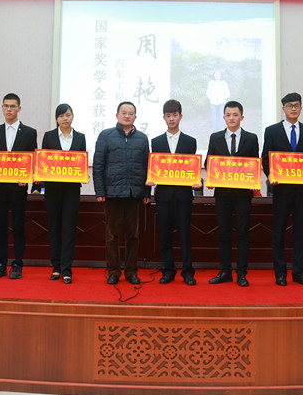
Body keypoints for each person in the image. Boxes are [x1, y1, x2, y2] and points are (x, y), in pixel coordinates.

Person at [262, 92, 303, 287]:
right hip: (281, 190)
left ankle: (299, 273)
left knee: (301, 232)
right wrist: (270, 174)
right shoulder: (272, 130)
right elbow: (266, 157)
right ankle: (280, 273)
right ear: (283, 108)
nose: (293, 108)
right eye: (289, 105)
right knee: (279, 232)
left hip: (302, 191)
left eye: (296, 105)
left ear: (301, 108)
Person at [93, 101, 150, 285]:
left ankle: (131, 272)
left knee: (133, 235)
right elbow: (98, 165)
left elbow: (147, 167)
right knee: (112, 235)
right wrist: (100, 190)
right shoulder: (106, 136)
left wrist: (146, 192)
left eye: (131, 113)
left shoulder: (142, 138)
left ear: (135, 117)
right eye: (124, 112)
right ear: (117, 115)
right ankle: (114, 271)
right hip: (112, 193)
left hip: (135, 193)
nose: (127, 116)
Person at [206, 100, 259, 287]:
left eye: (235, 115)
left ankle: (242, 273)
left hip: (243, 194)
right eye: (228, 115)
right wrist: (211, 177)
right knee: (224, 233)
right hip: (223, 195)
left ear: (242, 117)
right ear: (223, 117)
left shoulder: (251, 138)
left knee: (243, 233)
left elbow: (255, 164)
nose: (231, 118)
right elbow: (209, 162)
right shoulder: (215, 138)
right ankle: (225, 271)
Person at [0, 93, 38, 280]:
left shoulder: (30, 132)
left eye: (13, 106)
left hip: (19, 187)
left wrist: (29, 179)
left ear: (19, 109)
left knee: (18, 227)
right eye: (6, 106)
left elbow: (33, 160)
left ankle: (17, 264)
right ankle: (0, 264)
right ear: (2, 108)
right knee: (0, 227)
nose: (9, 109)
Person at [150, 99, 198, 286]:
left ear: (180, 116)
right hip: (163, 196)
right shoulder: (156, 142)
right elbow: (154, 168)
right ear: (164, 117)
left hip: (183, 196)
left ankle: (188, 272)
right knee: (165, 236)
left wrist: (196, 181)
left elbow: (192, 169)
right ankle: (168, 271)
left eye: (175, 115)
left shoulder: (190, 141)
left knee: (185, 235)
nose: (171, 118)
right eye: (168, 115)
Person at [41, 103, 86, 285]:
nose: (65, 118)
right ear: (57, 119)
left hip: (72, 190)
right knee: (54, 228)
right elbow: (43, 162)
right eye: (61, 116)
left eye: (68, 115)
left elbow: (81, 162)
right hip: (52, 190)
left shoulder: (80, 137)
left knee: (69, 229)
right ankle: (56, 267)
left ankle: (67, 269)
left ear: (72, 116)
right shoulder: (49, 136)